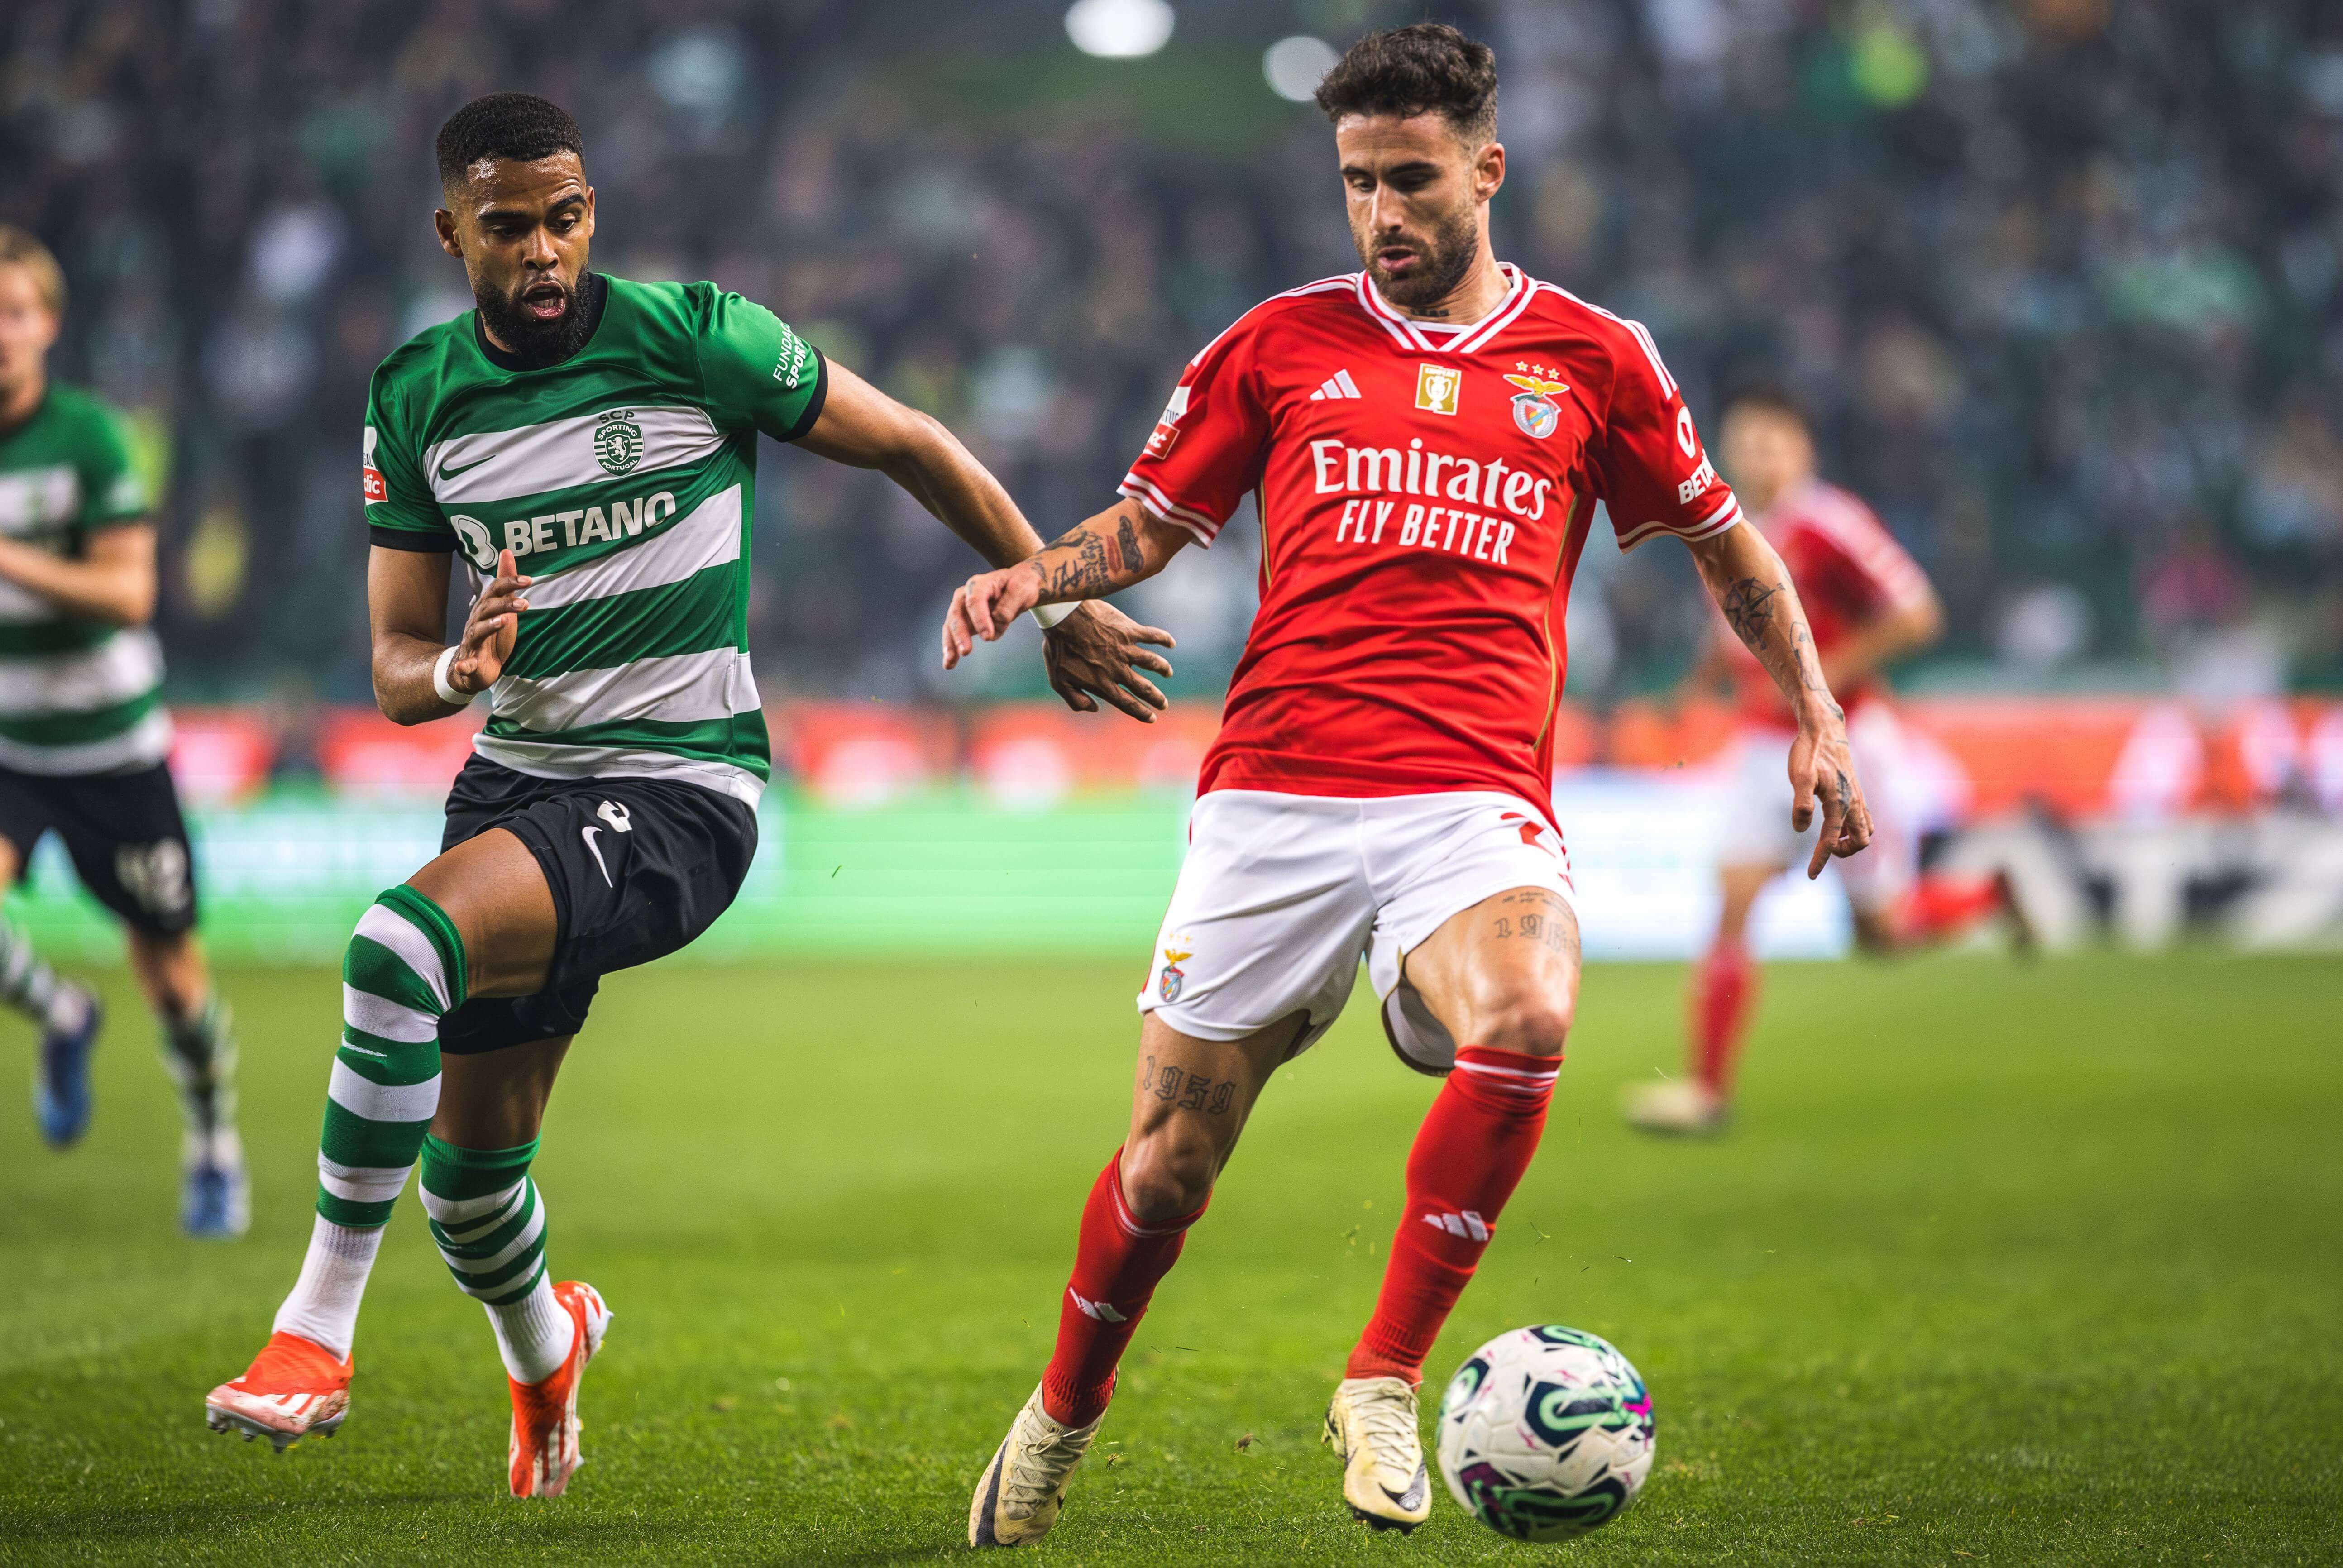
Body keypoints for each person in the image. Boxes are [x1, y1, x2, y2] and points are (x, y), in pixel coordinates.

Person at [941, 25, 1872, 1544]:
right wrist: (1038, 578)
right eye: (1358, 181)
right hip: (1274, 798)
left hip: (1469, 799)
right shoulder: (1275, 343)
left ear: (1486, 170)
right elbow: (1148, 523)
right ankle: (1059, 1414)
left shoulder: (1596, 357)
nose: (1382, 211)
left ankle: (1380, 1376)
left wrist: (1816, 715)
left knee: (1531, 1012)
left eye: (1412, 179)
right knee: (1166, 1170)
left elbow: (1730, 551)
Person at [202, 92, 1172, 1498]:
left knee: (396, 949)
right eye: (507, 227)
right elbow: (396, 665)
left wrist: (1054, 596)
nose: (542, 251)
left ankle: (313, 1334)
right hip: (517, 789)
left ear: (590, 212)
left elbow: (910, 439)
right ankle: (549, 1349)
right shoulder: (414, 397)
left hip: (680, 789)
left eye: (564, 219)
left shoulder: (697, 336)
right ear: (451, 234)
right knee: (469, 1189)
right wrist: (456, 669)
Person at [1623, 385, 2018, 1138]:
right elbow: (1733, 626)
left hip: (1846, 741)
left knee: (1883, 934)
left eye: (1775, 441)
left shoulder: (1830, 522)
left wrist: (1823, 674)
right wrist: (1695, 687)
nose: (1760, 455)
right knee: (1732, 902)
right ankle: (1706, 1093)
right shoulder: (1722, 523)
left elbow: (1918, 613)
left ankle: (1986, 896)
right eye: (1748, 441)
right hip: (1761, 744)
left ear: (1803, 450)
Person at [0, 226, 245, 1237]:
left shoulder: (89, 440)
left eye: (15, 313)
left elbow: (129, 593)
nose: (0, 333)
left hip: (114, 753)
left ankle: (214, 1144)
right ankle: (62, 1012)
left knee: (175, 985)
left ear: (49, 325)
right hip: (11, 746)